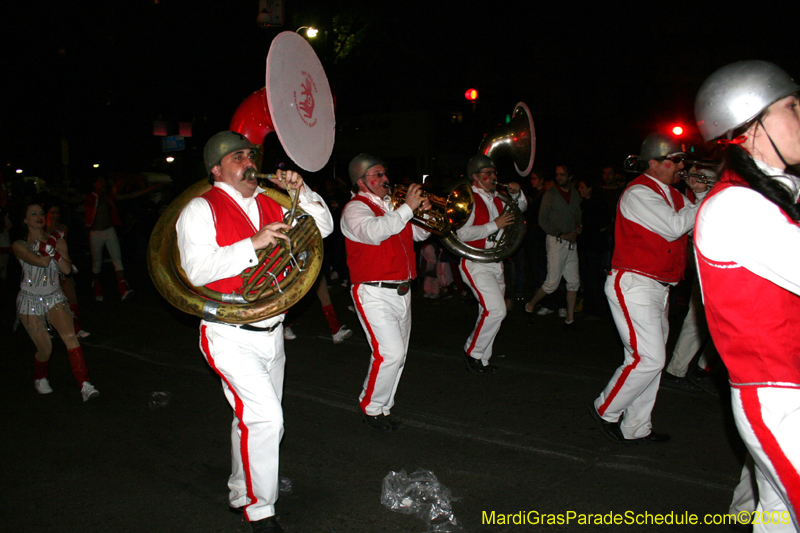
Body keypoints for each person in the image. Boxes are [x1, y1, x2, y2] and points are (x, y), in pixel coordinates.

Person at [176, 131, 333, 533]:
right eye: (238, 158)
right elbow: (196, 270)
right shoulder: (200, 209)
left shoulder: (271, 200)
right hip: (228, 331)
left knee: (249, 418)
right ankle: (259, 510)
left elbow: (324, 229)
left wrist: (304, 191)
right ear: (216, 169)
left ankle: (239, 485)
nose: (249, 162)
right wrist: (254, 242)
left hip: (272, 330)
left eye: (251, 155)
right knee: (266, 419)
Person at [693, 60, 800, 529]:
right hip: (780, 397)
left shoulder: (769, 194)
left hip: (783, 392)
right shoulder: (737, 204)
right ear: (751, 128)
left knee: (776, 522)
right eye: (792, 108)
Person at [590, 132, 707, 445]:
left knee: (645, 360)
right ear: (653, 163)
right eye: (674, 160)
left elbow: (695, 221)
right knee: (651, 359)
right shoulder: (639, 192)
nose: (681, 166)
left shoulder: (672, 193)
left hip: (658, 286)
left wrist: (698, 195)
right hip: (634, 282)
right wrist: (709, 196)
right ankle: (606, 408)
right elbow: (674, 226)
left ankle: (636, 427)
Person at [340, 153, 430, 432]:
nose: (384, 179)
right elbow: (375, 232)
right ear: (361, 181)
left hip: (402, 290)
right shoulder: (354, 209)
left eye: (384, 174)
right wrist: (407, 209)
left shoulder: (392, 206)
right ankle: (370, 407)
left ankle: (383, 407)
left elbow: (419, 236)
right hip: (373, 292)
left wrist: (422, 213)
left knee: (396, 354)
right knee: (389, 353)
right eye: (376, 175)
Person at [13, 201, 100, 402]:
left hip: (54, 296)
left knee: (71, 337)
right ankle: (40, 376)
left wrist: (50, 247)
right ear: (25, 220)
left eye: (41, 213)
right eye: (33, 213)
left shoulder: (57, 241)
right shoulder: (20, 245)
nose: (39, 216)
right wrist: (49, 247)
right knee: (45, 348)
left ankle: (85, 385)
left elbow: (67, 269)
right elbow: (42, 262)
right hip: (30, 300)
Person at [456, 155, 527, 374]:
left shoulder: (499, 197)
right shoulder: (468, 199)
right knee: (496, 310)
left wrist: (517, 194)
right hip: (476, 262)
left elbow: (522, 206)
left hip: (495, 262)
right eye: (487, 174)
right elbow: (462, 233)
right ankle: (472, 352)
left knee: (487, 311)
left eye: (494, 173)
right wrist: (494, 225)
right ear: (475, 178)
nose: (493, 177)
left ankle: (483, 359)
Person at [524, 165, 582, 325]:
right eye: (557, 175)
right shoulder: (550, 195)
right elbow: (542, 220)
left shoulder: (575, 194)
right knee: (552, 283)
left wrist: (578, 228)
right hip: (556, 240)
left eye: (563, 174)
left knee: (573, 281)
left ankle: (570, 319)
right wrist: (560, 233)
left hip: (571, 241)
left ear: (570, 176)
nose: (559, 177)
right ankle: (530, 305)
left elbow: (578, 216)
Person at [45, 203, 90, 338]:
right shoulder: (39, 230)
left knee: (71, 295)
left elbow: (60, 245)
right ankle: (47, 328)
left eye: (57, 213)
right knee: (47, 298)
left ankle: (76, 328)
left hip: (61, 265)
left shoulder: (61, 228)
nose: (55, 216)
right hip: (45, 268)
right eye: (52, 213)